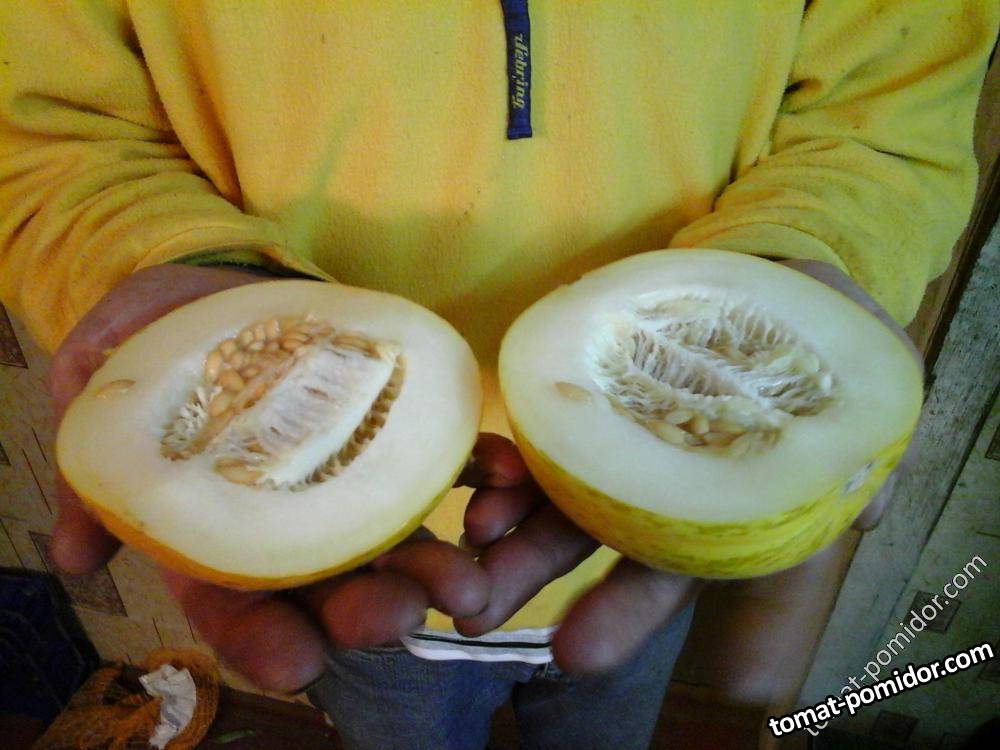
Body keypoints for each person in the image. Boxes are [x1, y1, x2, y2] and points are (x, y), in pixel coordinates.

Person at [1, 2, 996, 749]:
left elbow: (885, 112)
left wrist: (808, 252)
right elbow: (50, 132)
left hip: (626, 548)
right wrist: (153, 256)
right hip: (363, 579)